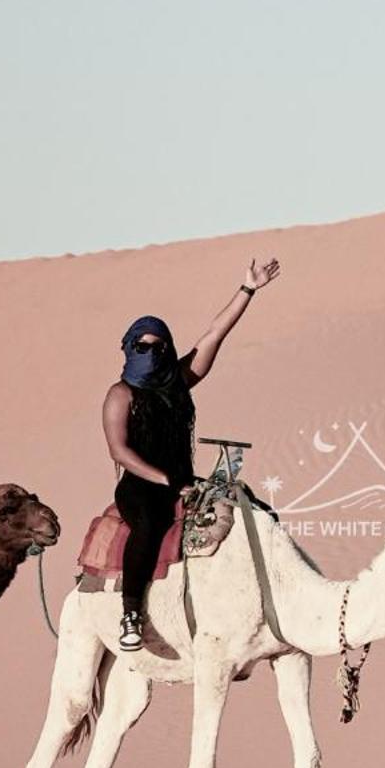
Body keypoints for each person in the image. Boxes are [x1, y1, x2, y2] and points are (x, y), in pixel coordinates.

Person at [104, 258, 280, 650]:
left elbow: (215, 333)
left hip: (182, 482)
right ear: (129, 348)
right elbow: (119, 450)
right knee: (148, 525)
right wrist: (165, 480)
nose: (149, 352)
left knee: (254, 510)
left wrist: (248, 289)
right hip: (141, 487)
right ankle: (130, 613)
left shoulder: (180, 381)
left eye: (156, 346)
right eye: (141, 346)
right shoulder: (121, 395)